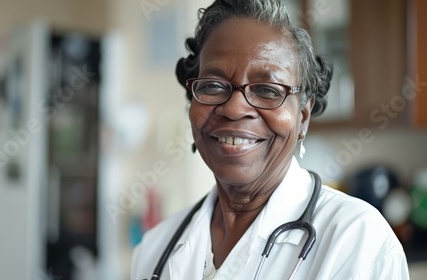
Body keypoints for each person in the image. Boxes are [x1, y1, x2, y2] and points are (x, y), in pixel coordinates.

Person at [131, 0, 410, 279]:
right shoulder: (154, 248)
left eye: (267, 89)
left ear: (302, 116)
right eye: (213, 86)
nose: (234, 108)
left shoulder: (359, 243)